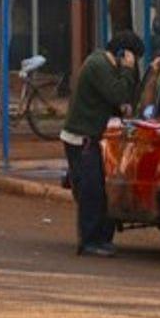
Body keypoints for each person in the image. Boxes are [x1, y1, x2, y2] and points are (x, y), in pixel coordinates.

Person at [63, 32, 147, 257]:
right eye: (133, 59)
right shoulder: (98, 65)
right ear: (123, 53)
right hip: (83, 138)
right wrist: (128, 70)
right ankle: (89, 240)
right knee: (92, 191)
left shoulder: (107, 67)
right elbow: (118, 93)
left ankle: (101, 237)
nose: (133, 64)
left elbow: (125, 96)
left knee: (102, 189)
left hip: (95, 138)